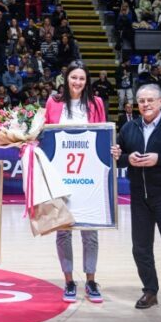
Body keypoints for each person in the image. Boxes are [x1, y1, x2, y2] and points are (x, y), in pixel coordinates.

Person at [112, 84, 161, 315]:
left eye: (150, 100)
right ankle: (150, 291)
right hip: (138, 198)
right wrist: (125, 158)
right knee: (141, 248)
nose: (145, 104)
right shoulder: (129, 127)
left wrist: (159, 159)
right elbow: (118, 157)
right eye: (141, 101)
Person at [44, 60, 106, 303]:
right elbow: (47, 137)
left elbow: (102, 136)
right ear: (66, 79)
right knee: (63, 232)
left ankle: (91, 280)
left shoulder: (96, 103)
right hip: (61, 177)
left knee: (90, 231)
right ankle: (69, 281)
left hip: (88, 177)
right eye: (74, 78)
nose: (77, 82)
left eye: (82, 78)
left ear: (86, 81)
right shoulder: (53, 102)